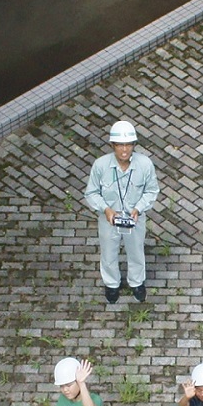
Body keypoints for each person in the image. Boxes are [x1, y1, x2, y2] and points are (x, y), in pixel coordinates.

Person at [84, 119, 161, 303]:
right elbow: (91, 193)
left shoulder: (145, 165)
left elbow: (152, 190)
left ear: (134, 145)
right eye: (120, 145)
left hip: (135, 218)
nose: (124, 150)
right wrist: (106, 209)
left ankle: (136, 282)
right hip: (109, 218)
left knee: (136, 251)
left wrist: (138, 208)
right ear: (113, 145)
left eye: (128, 145)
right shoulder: (101, 166)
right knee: (109, 253)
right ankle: (111, 284)